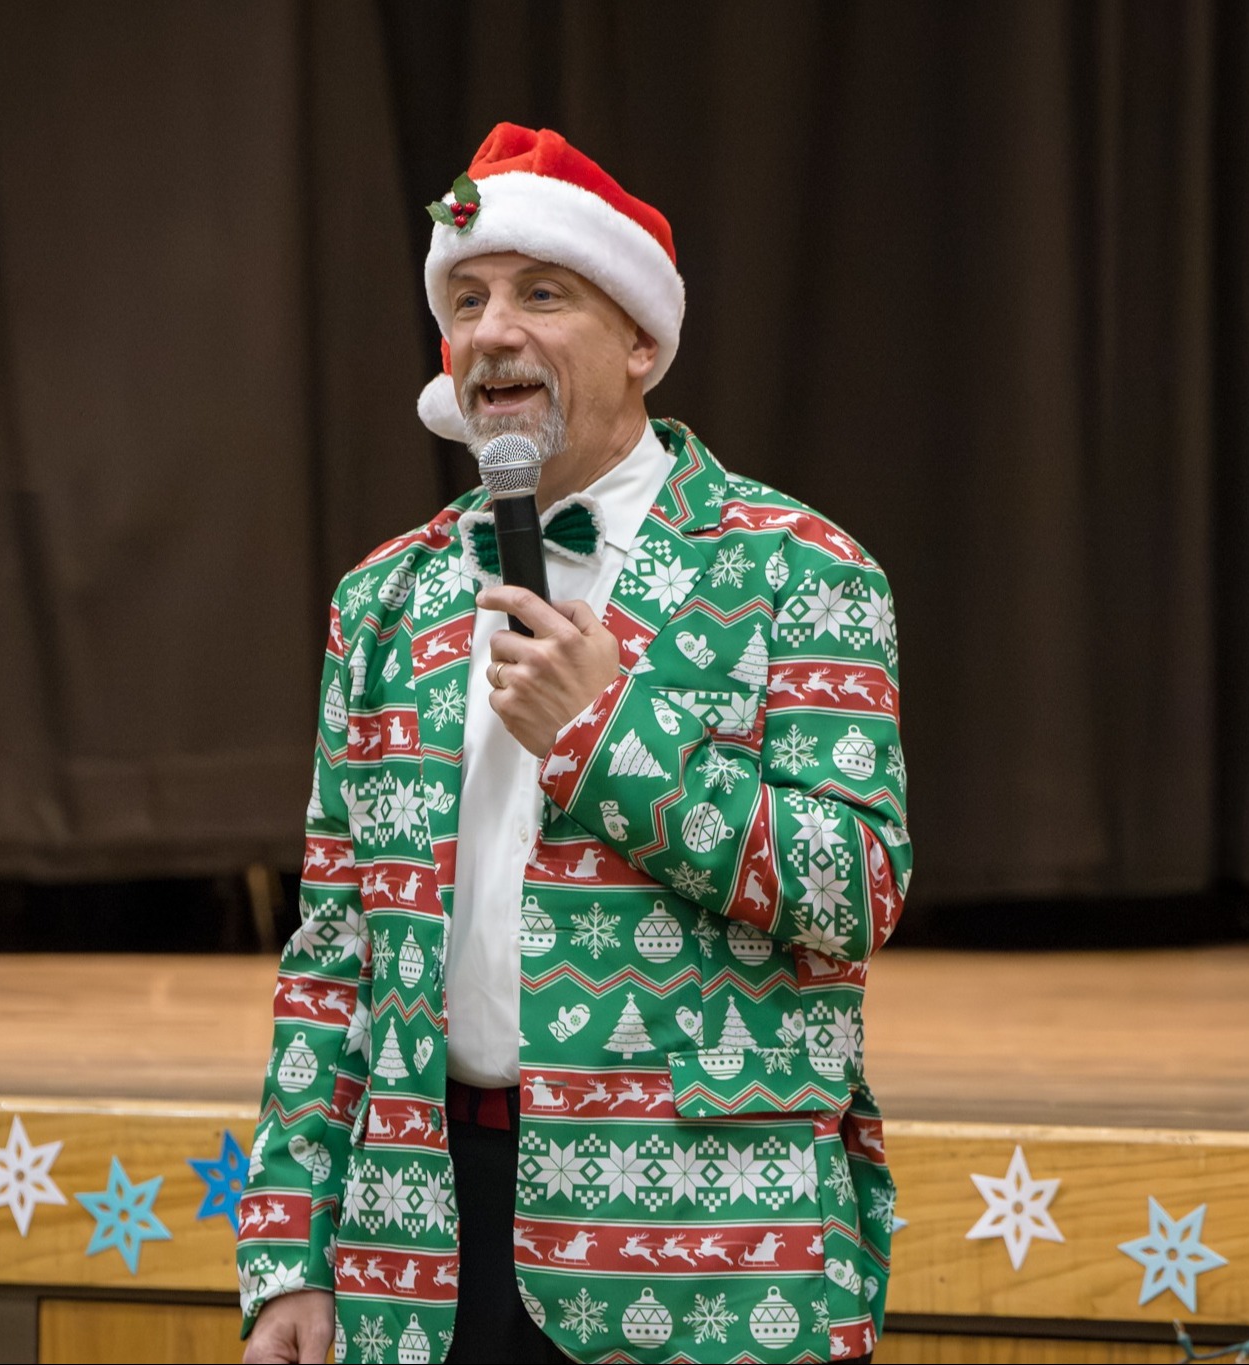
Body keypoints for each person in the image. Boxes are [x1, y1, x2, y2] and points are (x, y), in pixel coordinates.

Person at [237, 123, 909, 1365]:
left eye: (543, 294)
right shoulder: (382, 600)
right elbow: (333, 950)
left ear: (642, 342)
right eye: (469, 298)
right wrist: (290, 1245)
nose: (495, 328)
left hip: (705, 1250)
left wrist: (606, 734)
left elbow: (856, 889)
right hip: (420, 1250)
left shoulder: (799, 570)